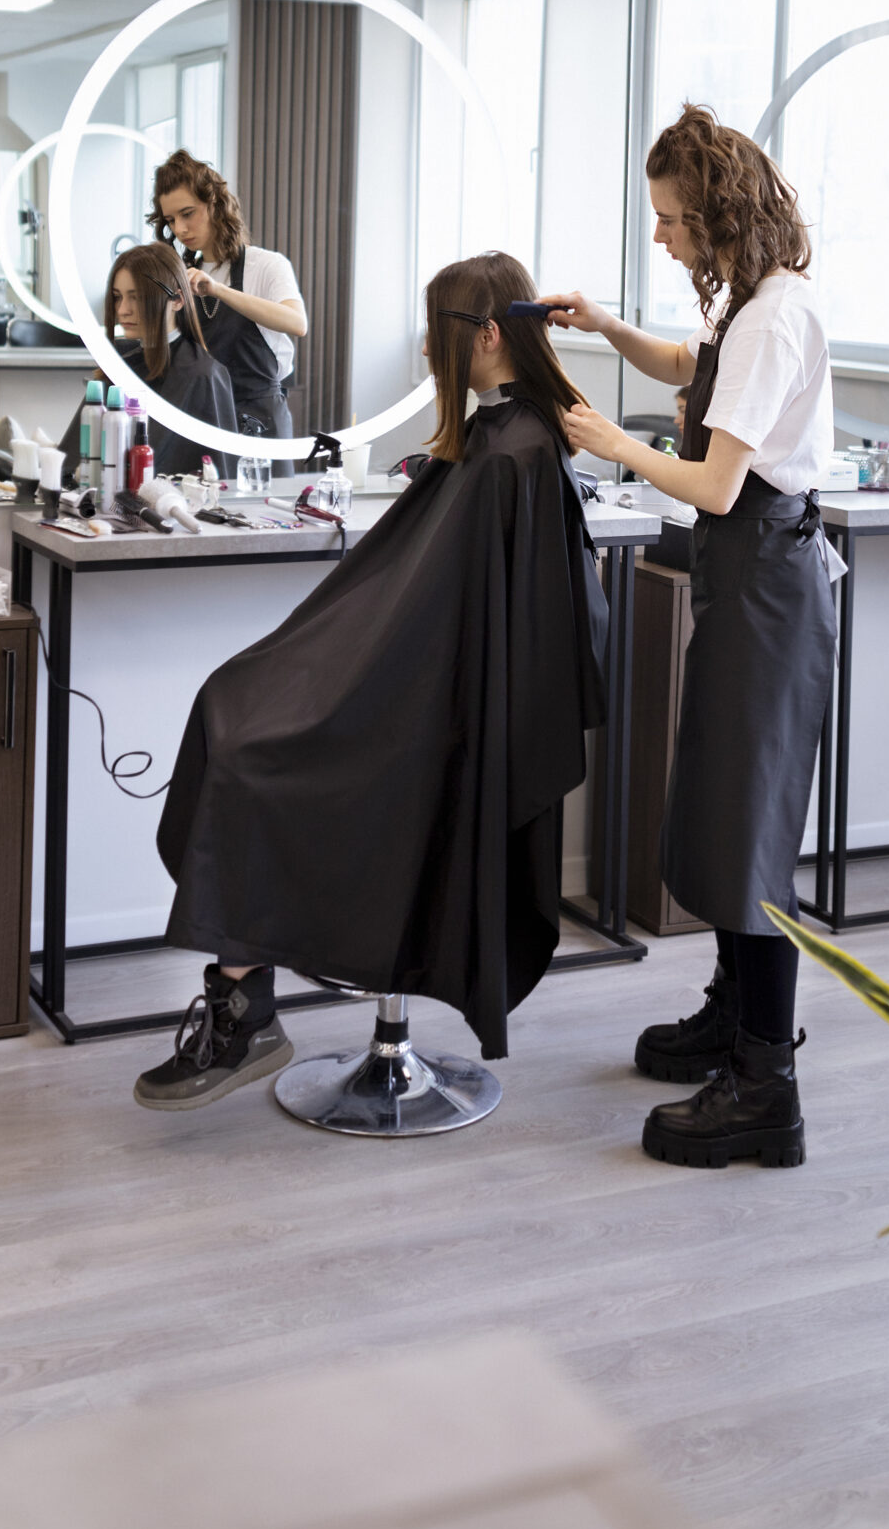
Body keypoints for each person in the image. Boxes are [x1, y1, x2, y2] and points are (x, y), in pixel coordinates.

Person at [134, 249, 608, 1113]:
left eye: (436, 340)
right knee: (229, 704)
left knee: (252, 750)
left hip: (428, 725)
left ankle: (242, 1012)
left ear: (489, 338)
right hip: (419, 698)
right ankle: (244, 1003)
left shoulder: (513, 455)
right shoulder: (506, 439)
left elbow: (438, 630)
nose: (428, 356)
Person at [546, 103, 836, 1173]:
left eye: (671, 220)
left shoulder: (772, 318)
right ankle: (731, 1018)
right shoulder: (749, 304)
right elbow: (690, 365)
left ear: (717, 215)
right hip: (746, 582)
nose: (662, 237)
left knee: (751, 833)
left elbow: (716, 483)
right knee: (722, 812)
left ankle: (769, 1087)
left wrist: (611, 442)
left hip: (765, 584)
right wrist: (607, 327)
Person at [149, 152, 306, 441]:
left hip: (262, 422)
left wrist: (218, 290)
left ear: (215, 205)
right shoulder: (181, 277)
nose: (180, 229)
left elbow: (297, 323)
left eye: (187, 213)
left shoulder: (267, 265)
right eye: (171, 220)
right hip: (203, 419)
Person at [59, 242, 237, 482]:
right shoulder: (121, 365)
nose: (123, 310)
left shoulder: (202, 374)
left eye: (138, 298)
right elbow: (70, 464)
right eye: (117, 297)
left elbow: (218, 480)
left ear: (177, 300)